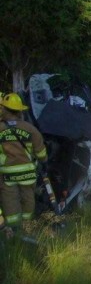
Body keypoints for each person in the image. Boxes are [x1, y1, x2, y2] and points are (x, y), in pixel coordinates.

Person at [0, 93, 47, 232]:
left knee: (10, 200)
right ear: (20, 110)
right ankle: (27, 227)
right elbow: (41, 152)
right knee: (28, 199)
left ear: (5, 110)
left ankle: (13, 230)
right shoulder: (30, 129)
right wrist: (44, 162)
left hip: (7, 174)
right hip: (28, 173)